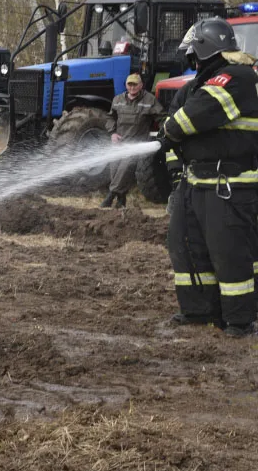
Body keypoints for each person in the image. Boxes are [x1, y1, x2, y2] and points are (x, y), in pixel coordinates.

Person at [158, 17, 258, 337]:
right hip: (194, 184)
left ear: (203, 48)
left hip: (229, 185)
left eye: (193, 54)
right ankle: (199, 310)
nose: (190, 61)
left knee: (229, 254)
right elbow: (172, 128)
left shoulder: (238, 76)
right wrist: (176, 179)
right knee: (186, 247)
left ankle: (241, 321)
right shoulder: (194, 87)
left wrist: (172, 131)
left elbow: (186, 121)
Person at [101, 73, 164, 208]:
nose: (132, 87)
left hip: (137, 144)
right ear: (126, 85)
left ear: (141, 85)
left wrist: (165, 131)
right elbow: (110, 118)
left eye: (135, 84)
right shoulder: (117, 100)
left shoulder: (149, 100)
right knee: (115, 168)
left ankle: (110, 195)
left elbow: (162, 117)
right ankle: (121, 200)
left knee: (125, 167)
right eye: (130, 84)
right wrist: (112, 133)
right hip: (120, 143)